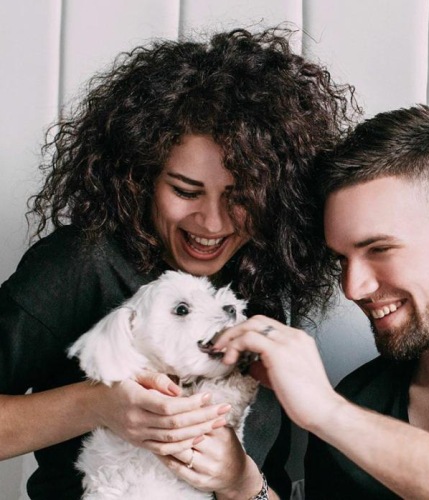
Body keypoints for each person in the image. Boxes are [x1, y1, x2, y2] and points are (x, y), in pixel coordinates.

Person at [0, 28, 359, 499]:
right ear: (140, 176)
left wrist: (242, 482)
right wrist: (97, 405)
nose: (212, 222)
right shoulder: (81, 264)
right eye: (186, 191)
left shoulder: (264, 283)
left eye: (241, 198)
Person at [214, 104, 429, 498]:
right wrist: (241, 483)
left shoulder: (340, 415)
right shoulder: (358, 400)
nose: (353, 287)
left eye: (380, 248)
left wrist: (328, 414)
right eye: (342, 260)